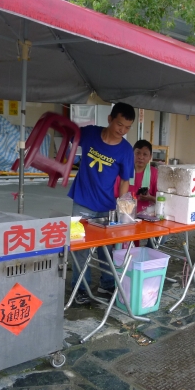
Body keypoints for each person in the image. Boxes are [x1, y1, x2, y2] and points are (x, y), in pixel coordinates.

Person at [68, 102, 135, 304]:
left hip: (107, 207)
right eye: (119, 125)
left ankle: (106, 286)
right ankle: (81, 289)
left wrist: (122, 207)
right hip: (81, 202)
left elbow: (125, 180)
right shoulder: (89, 134)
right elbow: (68, 135)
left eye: (127, 127)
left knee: (107, 250)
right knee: (79, 248)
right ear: (110, 119)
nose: (122, 131)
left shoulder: (126, 150)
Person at [114, 140, 158, 214]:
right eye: (137, 153)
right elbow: (115, 196)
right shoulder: (123, 171)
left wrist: (150, 198)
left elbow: (161, 199)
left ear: (150, 157)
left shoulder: (155, 173)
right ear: (132, 154)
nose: (141, 157)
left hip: (147, 215)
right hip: (125, 215)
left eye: (145, 154)